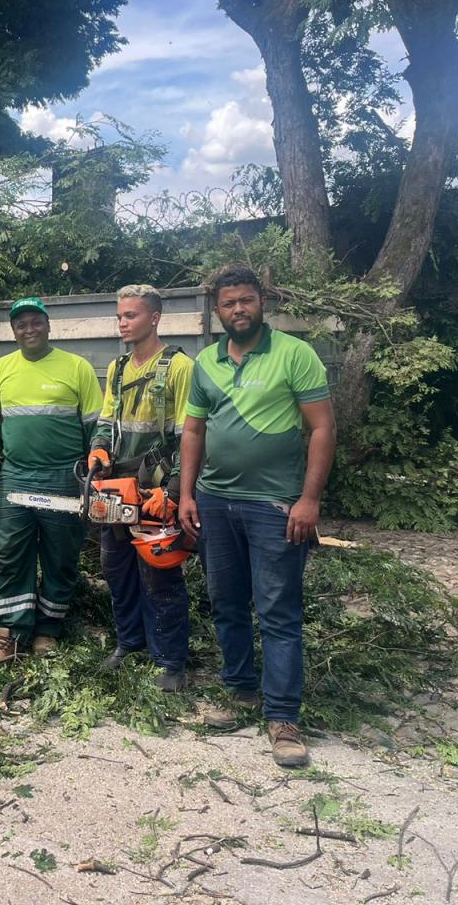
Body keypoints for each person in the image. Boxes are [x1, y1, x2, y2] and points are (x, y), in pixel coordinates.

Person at [178, 266, 336, 767]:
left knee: (278, 610)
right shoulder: (205, 362)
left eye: (246, 300)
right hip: (215, 504)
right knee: (226, 603)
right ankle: (242, 692)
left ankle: (284, 717)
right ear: (217, 310)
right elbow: (194, 434)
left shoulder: (296, 354)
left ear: (261, 301)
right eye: (228, 304)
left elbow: (322, 430)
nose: (238, 310)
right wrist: (186, 495)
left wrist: (309, 500)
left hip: (275, 506)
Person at [0, 297, 103, 665]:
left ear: (48, 325)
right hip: (17, 477)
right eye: (21, 324)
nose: (28, 329)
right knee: (10, 554)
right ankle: (9, 634)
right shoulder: (3, 368)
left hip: (64, 477)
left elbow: (97, 425)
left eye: (35, 322)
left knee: (60, 555)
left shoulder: (76, 368)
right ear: (13, 330)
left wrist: (96, 467)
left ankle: (48, 629)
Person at [87, 284, 194, 691]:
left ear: (154, 317)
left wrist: (175, 490)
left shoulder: (179, 368)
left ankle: (170, 661)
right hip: (117, 485)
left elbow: (190, 434)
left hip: (155, 489)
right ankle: (129, 642)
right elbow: (105, 420)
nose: (122, 323)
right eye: (119, 316)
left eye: (130, 315)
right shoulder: (117, 370)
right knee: (116, 569)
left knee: (160, 575)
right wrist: (98, 450)